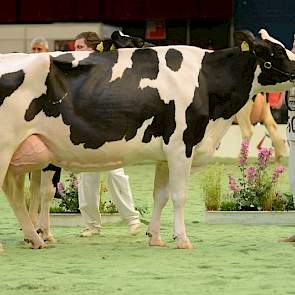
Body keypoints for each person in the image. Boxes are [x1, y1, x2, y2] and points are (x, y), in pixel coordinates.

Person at [74, 31, 141, 237]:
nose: (75, 51)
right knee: (86, 176)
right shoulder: (75, 72)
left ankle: (132, 219)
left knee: (116, 173)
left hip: (109, 127)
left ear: (93, 48)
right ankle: (91, 225)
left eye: (79, 47)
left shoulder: (108, 68)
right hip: (85, 127)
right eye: (75, 48)